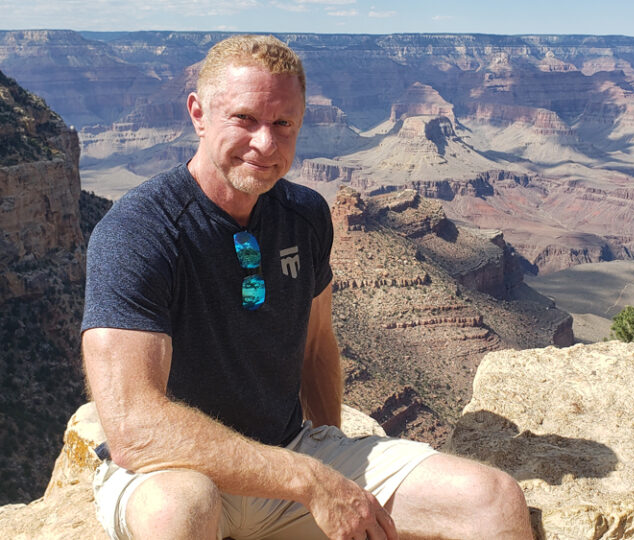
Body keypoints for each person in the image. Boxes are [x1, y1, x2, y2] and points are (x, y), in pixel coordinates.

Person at [81, 34, 534, 540]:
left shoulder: (306, 215)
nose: (265, 144)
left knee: (490, 500)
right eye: (244, 119)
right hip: (172, 471)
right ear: (198, 113)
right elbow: (135, 430)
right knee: (180, 510)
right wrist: (312, 481)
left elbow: (317, 346)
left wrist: (332, 463)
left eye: (283, 124)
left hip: (292, 450)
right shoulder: (139, 230)